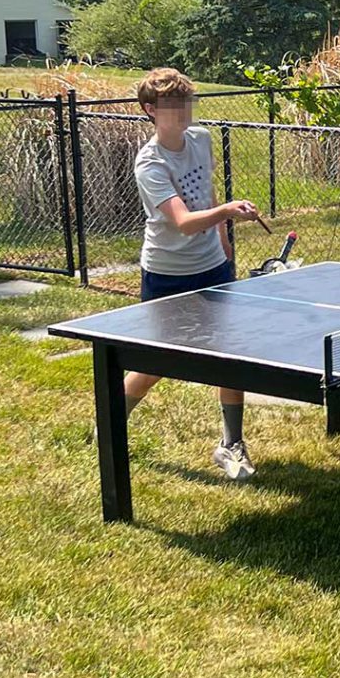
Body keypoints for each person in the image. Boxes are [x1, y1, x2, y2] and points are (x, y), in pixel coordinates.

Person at [128, 67, 262, 481]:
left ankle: (231, 444)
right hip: (168, 274)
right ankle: (110, 420)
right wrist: (224, 213)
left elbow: (208, 193)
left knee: (229, 355)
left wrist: (223, 240)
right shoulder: (149, 162)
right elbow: (183, 221)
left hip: (212, 267)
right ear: (151, 109)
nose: (185, 111)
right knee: (157, 363)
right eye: (174, 105)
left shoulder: (201, 139)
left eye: (188, 102)